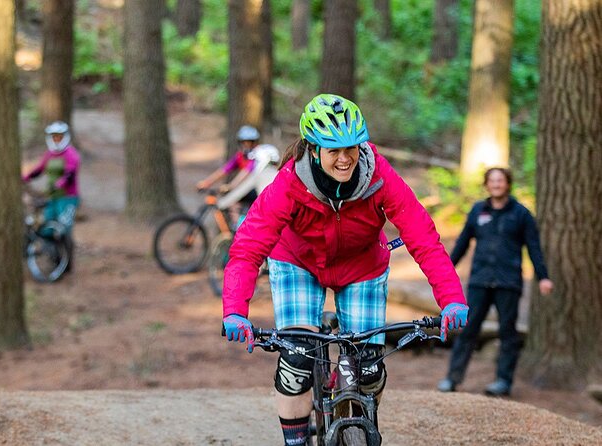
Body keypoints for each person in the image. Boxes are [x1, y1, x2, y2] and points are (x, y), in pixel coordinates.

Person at [221, 94, 469, 446]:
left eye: (351, 147)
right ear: (313, 148)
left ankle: (355, 418)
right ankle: (297, 442)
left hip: (362, 266)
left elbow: (424, 240)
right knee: (296, 362)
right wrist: (234, 311)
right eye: (333, 149)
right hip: (298, 263)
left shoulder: (379, 176)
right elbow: (247, 249)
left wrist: (452, 300)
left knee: (369, 368)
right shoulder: (290, 183)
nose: (344, 158)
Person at [437, 167, 554, 397]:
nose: (497, 184)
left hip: (508, 283)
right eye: (492, 181)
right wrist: (444, 270)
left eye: (500, 180)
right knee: (468, 329)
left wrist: (543, 277)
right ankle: (452, 378)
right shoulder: (478, 211)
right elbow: (462, 243)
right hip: (480, 281)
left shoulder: (521, 214)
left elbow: (534, 248)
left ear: (507, 184)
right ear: (487, 185)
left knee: (507, 332)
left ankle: (503, 381)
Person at [22, 121, 81, 272]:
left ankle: (67, 264)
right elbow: (39, 169)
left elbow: (70, 174)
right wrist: (26, 177)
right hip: (52, 198)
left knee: (63, 228)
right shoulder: (49, 155)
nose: (56, 140)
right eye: (54, 137)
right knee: (46, 226)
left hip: (67, 198)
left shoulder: (71, 155)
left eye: (59, 137)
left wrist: (59, 184)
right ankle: (53, 257)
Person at [196, 125, 262, 226]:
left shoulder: (258, 156)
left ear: (254, 143)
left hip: (259, 190)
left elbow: (246, 172)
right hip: (246, 189)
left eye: (249, 143)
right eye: (244, 143)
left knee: (232, 200)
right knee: (233, 203)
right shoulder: (239, 157)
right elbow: (223, 171)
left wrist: (231, 186)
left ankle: (240, 229)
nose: (246, 146)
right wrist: (207, 182)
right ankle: (237, 227)